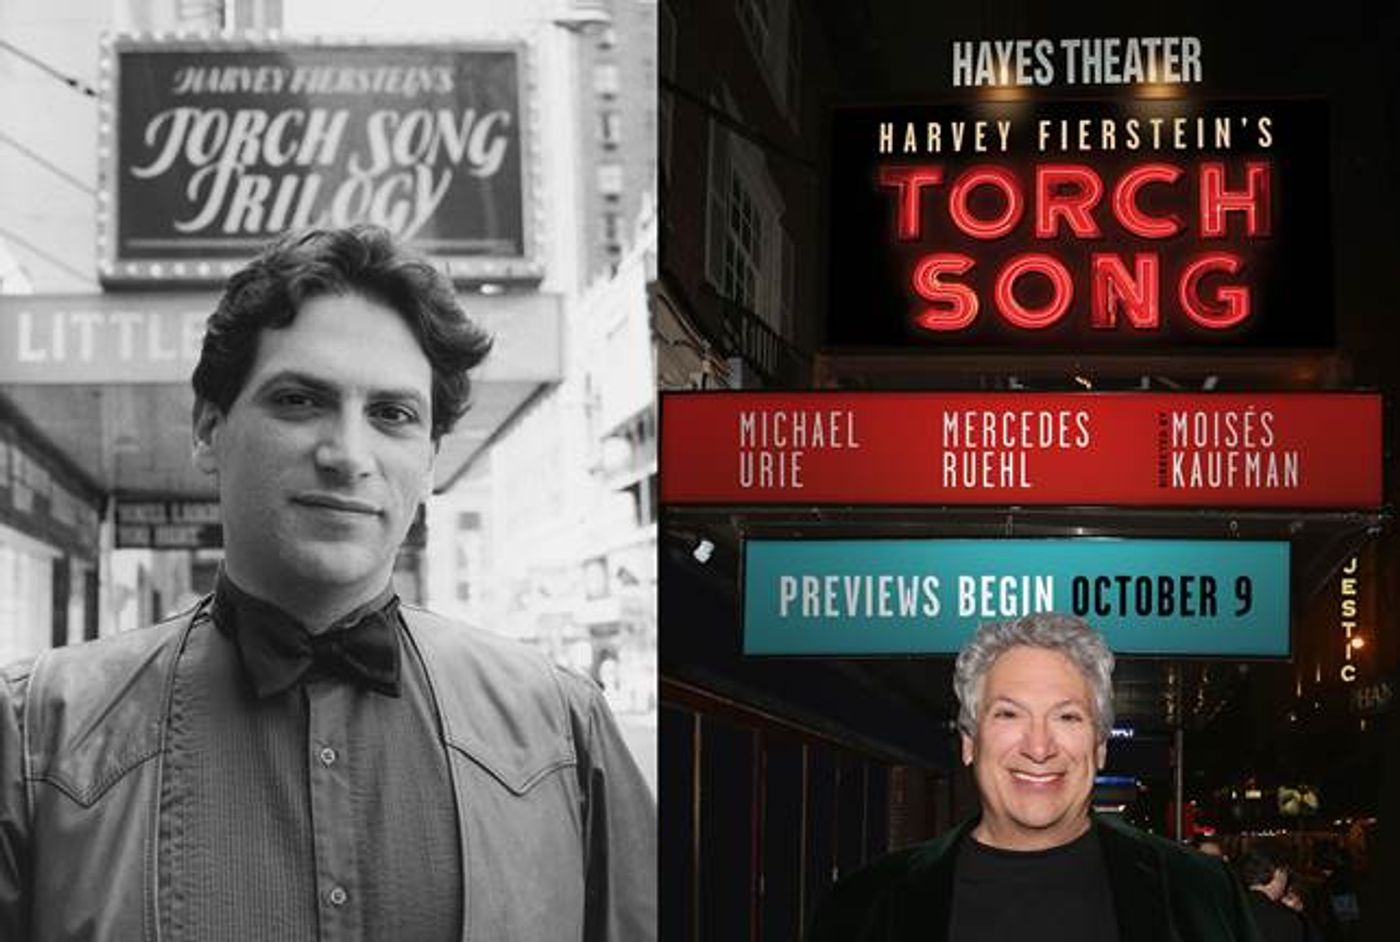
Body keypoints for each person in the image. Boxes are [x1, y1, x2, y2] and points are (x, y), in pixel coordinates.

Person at [0, 226, 657, 941]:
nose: (348, 455)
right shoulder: (36, 738)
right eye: (300, 401)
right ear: (208, 430)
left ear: (431, 459)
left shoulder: (565, 729)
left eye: (392, 415)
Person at [807, 612, 1261, 942]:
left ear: (1100, 745)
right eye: (1009, 714)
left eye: (1067, 717)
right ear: (970, 740)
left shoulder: (1202, 895)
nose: (1039, 748)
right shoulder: (863, 908)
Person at [1239, 846, 1313, 942]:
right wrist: (1301, 915)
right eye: (1286, 873)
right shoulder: (1286, 920)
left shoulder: (1230, 904)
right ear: (1278, 872)